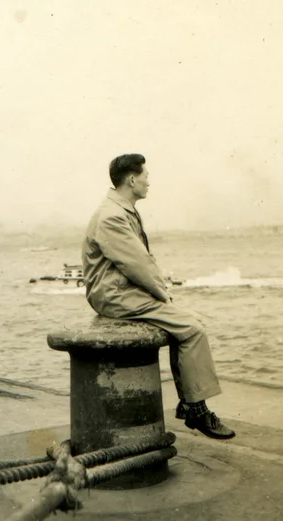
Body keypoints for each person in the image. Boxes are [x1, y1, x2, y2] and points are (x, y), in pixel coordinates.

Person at [82, 153, 235, 440]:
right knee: (192, 329)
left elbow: (138, 263)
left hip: (120, 290)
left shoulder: (118, 209)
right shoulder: (113, 216)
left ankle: (190, 403)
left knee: (187, 324)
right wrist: (163, 295)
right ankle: (196, 409)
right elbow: (137, 263)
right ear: (132, 179)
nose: (149, 182)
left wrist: (160, 293)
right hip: (116, 295)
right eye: (146, 176)